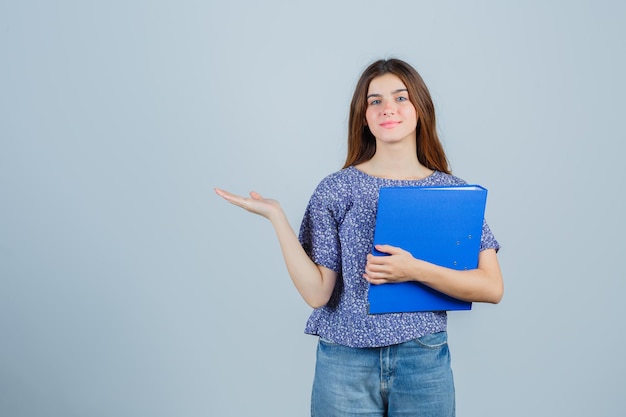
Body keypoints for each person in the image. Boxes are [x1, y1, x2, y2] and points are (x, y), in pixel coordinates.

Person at [215, 58, 503, 417]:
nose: (388, 109)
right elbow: (317, 293)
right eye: (375, 101)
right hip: (344, 361)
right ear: (363, 116)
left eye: (401, 97)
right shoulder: (336, 188)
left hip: (423, 358)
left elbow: (491, 287)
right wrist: (277, 218)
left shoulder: (453, 193)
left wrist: (413, 270)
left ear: (420, 108)